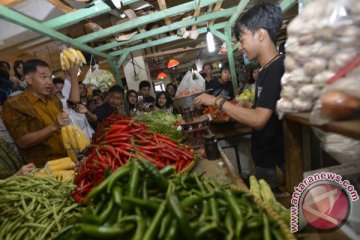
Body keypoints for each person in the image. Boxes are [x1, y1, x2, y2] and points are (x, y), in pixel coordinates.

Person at [195, 2, 284, 190]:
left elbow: (259, 120)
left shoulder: (277, 68)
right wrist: (247, 107)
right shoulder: (265, 70)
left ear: (261, 35)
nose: (240, 47)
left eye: (242, 40)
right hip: (263, 155)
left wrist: (217, 101)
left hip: (273, 160)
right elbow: (266, 112)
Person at [1, 59, 69, 167]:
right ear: (29, 79)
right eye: (43, 77)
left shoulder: (54, 100)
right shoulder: (14, 104)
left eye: (50, 77)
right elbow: (22, 141)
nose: (49, 82)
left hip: (68, 159)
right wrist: (53, 126)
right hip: (43, 170)